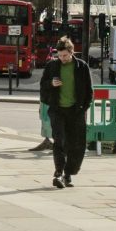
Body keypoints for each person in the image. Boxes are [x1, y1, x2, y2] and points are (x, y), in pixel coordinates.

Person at [38, 36, 94, 189]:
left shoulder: (81, 67)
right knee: (60, 140)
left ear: (71, 52)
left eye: (65, 55)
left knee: (76, 144)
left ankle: (68, 173)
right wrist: (51, 83)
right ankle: (58, 172)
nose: (62, 58)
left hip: (76, 111)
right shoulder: (52, 67)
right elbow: (42, 86)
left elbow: (89, 91)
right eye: (59, 55)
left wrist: (84, 107)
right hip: (57, 110)